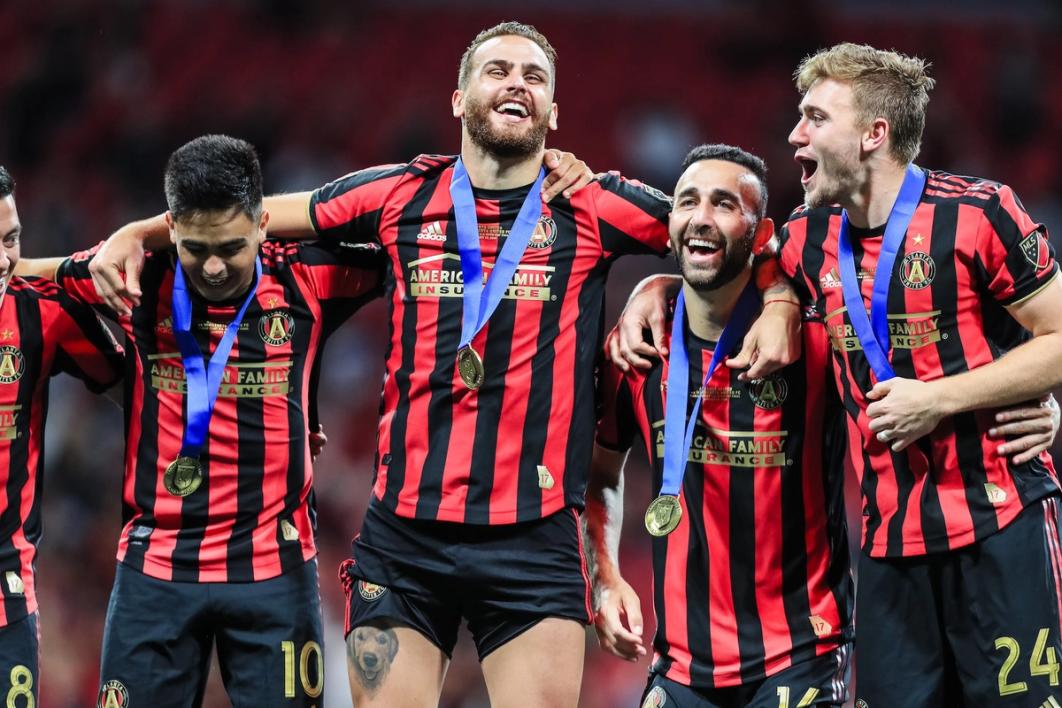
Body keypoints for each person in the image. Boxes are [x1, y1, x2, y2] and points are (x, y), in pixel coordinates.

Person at [84, 22, 802, 707]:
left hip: (533, 538)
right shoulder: (399, 195)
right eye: (497, 70)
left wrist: (764, 304)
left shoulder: (593, 202)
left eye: (535, 76)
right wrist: (141, 231)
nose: (516, 82)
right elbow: (254, 217)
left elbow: (729, 242)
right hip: (405, 537)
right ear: (459, 99)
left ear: (555, 110)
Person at [614, 43, 1062, 707]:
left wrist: (939, 399)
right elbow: (728, 259)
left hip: (1000, 527)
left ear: (873, 134)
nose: (795, 134)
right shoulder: (805, 235)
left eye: (816, 118)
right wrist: (665, 287)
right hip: (887, 547)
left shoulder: (979, 213)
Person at [17, 134, 383, 706]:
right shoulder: (136, 275)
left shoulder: (310, 274)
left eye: (232, 247)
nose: (213, 266)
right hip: (156, 566)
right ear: (173, 229)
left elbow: (405, 230)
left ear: (264, 223)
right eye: (194, 247)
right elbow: (26, 275)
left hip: (274, 570)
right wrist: (136, 237)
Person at [589, 144, 853, 708]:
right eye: (687, 202)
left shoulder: (811, 341)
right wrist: (605, 574)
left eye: (724, 203)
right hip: (681, 668)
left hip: (801, 654)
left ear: (762, 236)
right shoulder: (636, 350)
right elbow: (601, 474)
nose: (701, 217)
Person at [0, 167, 124, 705]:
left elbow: (142, 389)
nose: (5, 259)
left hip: (5, 593)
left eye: (10, 239)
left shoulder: (41, 311)